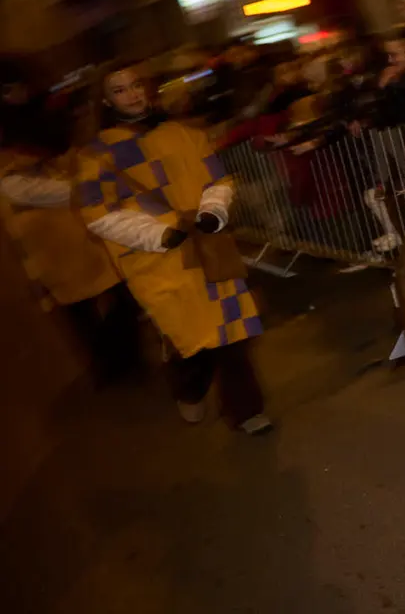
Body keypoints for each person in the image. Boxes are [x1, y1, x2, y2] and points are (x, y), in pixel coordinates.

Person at [76, 63, 271, 434]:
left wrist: (213, 210)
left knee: (231, 333)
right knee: (191, 336)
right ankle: (189, 384)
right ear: (105, 100)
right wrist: (157, 235)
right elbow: (98, 213)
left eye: (136, 85)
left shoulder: (183, 133)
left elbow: (217, 179)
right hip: (158, 261)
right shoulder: (97, 155)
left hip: (207, 246)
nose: (133, 95)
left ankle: (247, 411)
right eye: (120, 90)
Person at [0, 63, 141, 388]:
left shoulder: (41, 116)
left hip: (78, 225)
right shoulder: (12, 136)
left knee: (114, 291)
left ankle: (121, 360)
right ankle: (109, 364)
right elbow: (16, 186)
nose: (18, 93)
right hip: (48, 234)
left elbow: (71, 151)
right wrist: (80, 189)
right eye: (10, 89)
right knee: (81, 306)